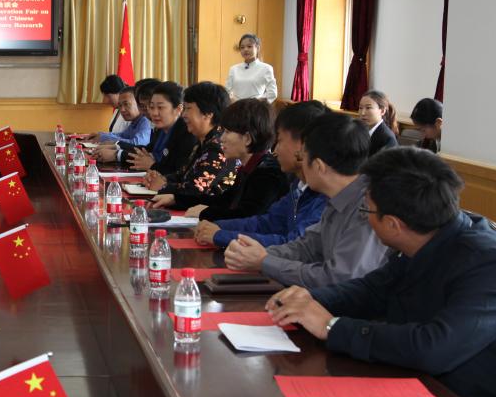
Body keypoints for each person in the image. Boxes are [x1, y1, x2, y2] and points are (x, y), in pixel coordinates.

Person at [267, 147, 496, 397]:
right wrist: (307, 300)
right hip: (420, 388)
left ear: (393, 224)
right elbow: (372, 290)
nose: (366, 218)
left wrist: (331, 327)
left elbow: (435, 347)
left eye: (366, 210)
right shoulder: (428, 233)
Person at [224, 112, 392, 286]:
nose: (301, 166)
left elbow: (339, 278)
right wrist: (262, 255)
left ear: (318, 166)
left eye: (302, 158)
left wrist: (265, 261)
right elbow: (308, 247)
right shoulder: (338, 197)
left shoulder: (369, 206)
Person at [194, 100, 329, 248]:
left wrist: (221, 235)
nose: (275, 151)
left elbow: (295, 245)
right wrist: (219, 227)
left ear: (302, 145)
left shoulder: (325, 195)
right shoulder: (299, 186)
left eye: (280, 141)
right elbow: (267, 222)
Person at [153, 98, 288, 219]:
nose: (221, 138)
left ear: (247, 138)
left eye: (227, 132)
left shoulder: (267, 173)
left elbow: (247, 216)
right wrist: (175, 199)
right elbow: (224, 200)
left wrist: (205, 212)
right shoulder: (249, 166)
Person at [143, 81, 237, 201]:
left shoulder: (218, 146)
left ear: (208, 114)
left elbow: (195, 191)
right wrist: (160, 178)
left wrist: (163, 186)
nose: (183, 115)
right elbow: (183, 175)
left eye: (188, 109)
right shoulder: (204, 141)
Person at [98, 80, 196, 175]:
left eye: (160, 107)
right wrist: (117, 150)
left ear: (178, 109)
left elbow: (179, 173)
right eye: (151, 107)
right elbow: (147, 151)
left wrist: (152, 166)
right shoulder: (161, 128)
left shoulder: (187, 133)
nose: (153, 113)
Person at [226, 33, 277, 102]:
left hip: (256, 106)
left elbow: (272, 93)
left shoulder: (266, 68)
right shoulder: (233, 69)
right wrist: (234, 101)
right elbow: (226, 91)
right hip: (236, 106)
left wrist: (254, 103)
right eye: (242, 47)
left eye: (249, 46)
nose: (245, 49)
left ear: (257, 48)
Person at [357, 89, 399, 156]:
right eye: (360, 108)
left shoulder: (387, 138)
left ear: (382, 111)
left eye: (368, 108)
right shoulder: (359, 131)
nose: (362, 113)